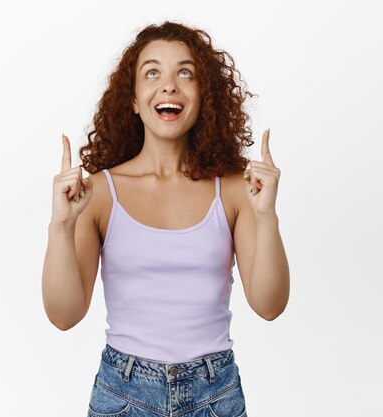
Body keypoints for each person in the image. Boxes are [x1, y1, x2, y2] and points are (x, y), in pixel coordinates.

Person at [42, 20, 289, 417]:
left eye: (185, 73)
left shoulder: (233, 189)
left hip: (216, 394)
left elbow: (269, 305)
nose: (169, 85)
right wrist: (61, 225)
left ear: (203, 96)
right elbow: (64, 315)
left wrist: (266, 216)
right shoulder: (99, 193)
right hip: (124, 394)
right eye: (152, 72)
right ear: (135, 100)